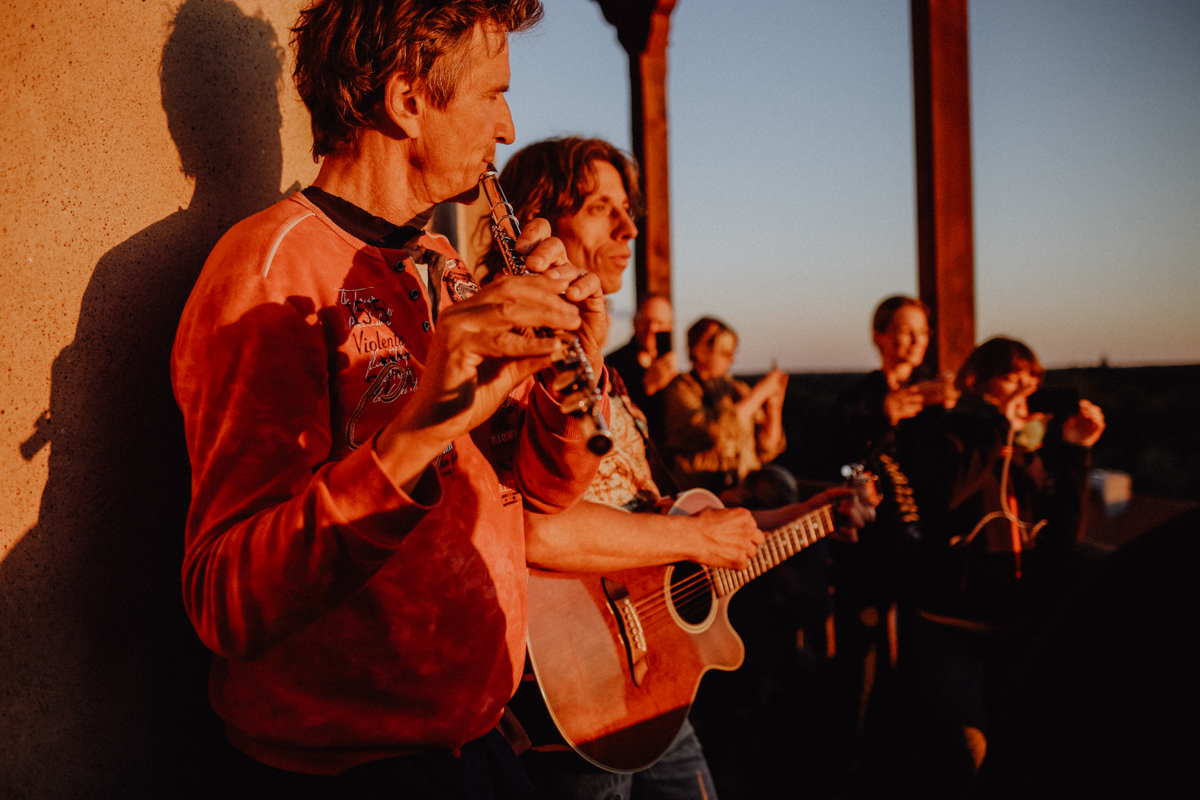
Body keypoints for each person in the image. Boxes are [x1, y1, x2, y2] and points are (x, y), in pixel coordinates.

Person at [170, 2, 609, 796]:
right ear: (408, 101)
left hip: (473, 744)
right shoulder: (268, 272)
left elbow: (537, 487)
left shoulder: (441, 262)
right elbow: (226, 600)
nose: (508, 129)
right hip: (353, 772)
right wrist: (414, 437)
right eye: (493, 94)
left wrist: (570, 368)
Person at [487, 137, 867, 800]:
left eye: (627, 209)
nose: (630, 228)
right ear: (542, 217)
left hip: (654, 689)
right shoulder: (509, 350)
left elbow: (679, 522)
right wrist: (694, 539)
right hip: (579, 693)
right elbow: (531, 531)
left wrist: (814, 513)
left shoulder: (601, 375)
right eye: (605, 208)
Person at [897, 336, 1105, 795]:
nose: (1024, 388)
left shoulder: (1029, 449)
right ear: (977, 380)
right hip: (951, 625)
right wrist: (996, 429)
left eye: (1033, 380)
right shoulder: (943, 431)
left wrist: (1074, 451)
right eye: (1012, 377)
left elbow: (1062, 536)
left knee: (1019, 753)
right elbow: (944, 496)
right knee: (970, 759)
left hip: (1017, 629)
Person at [826, 296, 957, 780]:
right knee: (860, 661)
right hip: (867, 552)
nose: (913, 342)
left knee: (919, 660)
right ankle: (849, 766)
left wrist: (956, 413)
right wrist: (882, 417)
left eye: (920, 333)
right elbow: (836, 461)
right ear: (879, 335)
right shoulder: (857, 399)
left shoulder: (937, 402)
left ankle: (904, 763)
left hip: (923, 552)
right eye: (902, 331)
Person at [662, 318, 788, 495]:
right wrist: (759, 394)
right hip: (704, 497)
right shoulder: (681, 389)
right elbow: (713, 432)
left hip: (747, 493)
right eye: (725, 353)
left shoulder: (738, 391)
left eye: (733, 352)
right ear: (700, 351)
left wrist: (774, 407)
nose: (732, 359)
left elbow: (767, 449)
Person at [604, 294, 679, 446]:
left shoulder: (672, 364)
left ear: (670, 327)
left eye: (659, 322)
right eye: (646, 321)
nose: (652, 328)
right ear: (635, 322)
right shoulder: (613, 363)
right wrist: (646, 388)